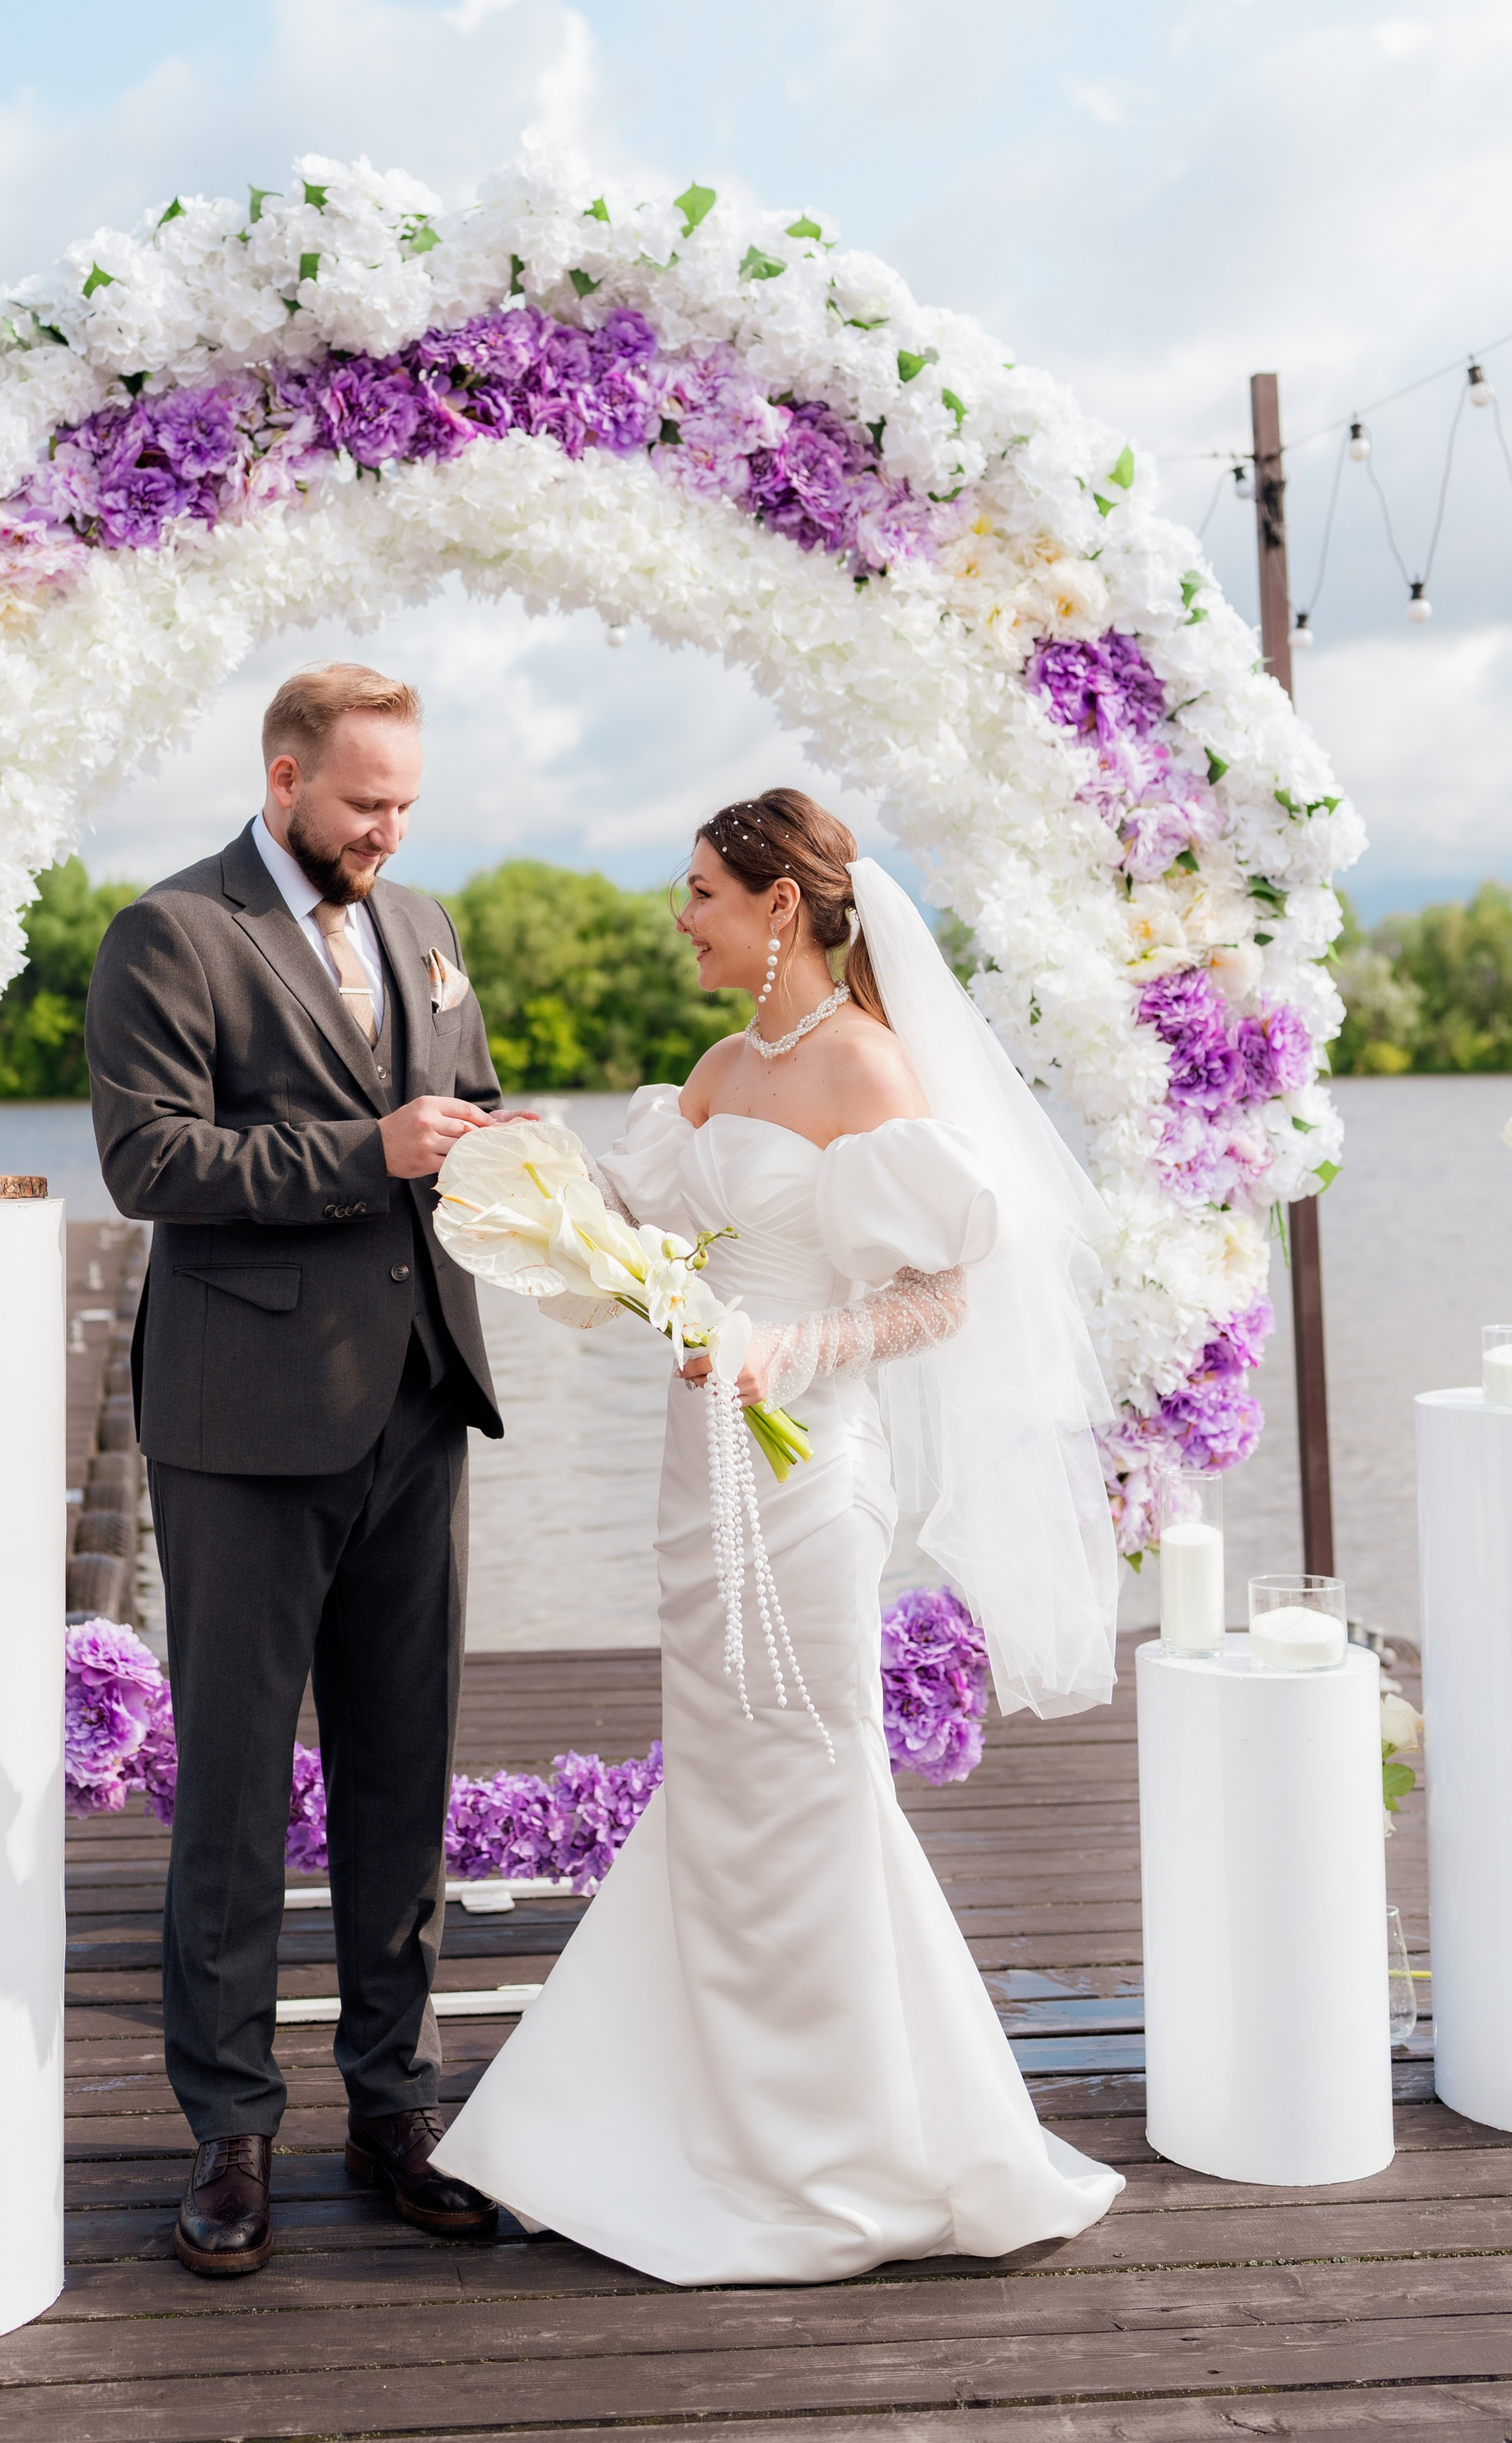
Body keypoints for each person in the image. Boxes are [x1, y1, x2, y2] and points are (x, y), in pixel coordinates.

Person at [432, 788, 1128, 2281]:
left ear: (781, 908)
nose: (678, 915)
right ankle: (703, 2118)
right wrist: (536, 1172)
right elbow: (634, 1224)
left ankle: (846, 2143)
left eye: (698, 890)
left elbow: (939, 1297)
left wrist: (780, 1354)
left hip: (812, 1473)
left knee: (811, 1778)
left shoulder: (868, 1067)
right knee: (723, 1774)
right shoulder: (719, 1065)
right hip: (701, 1466)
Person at [85, 663, 507, 2277]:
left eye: (406, 803)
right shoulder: (170, 935)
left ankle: (394, 2108)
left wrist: (495, 1145)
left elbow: (448, 1106)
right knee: (238, 1797)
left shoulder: (424, 921)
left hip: (417, 1401)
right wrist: (371, 1151)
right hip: (244, 1423)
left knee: (407, 1775)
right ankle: (230, 2136)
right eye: (362, 806)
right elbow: (150, 1161)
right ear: (280, 781)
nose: (389, 832)